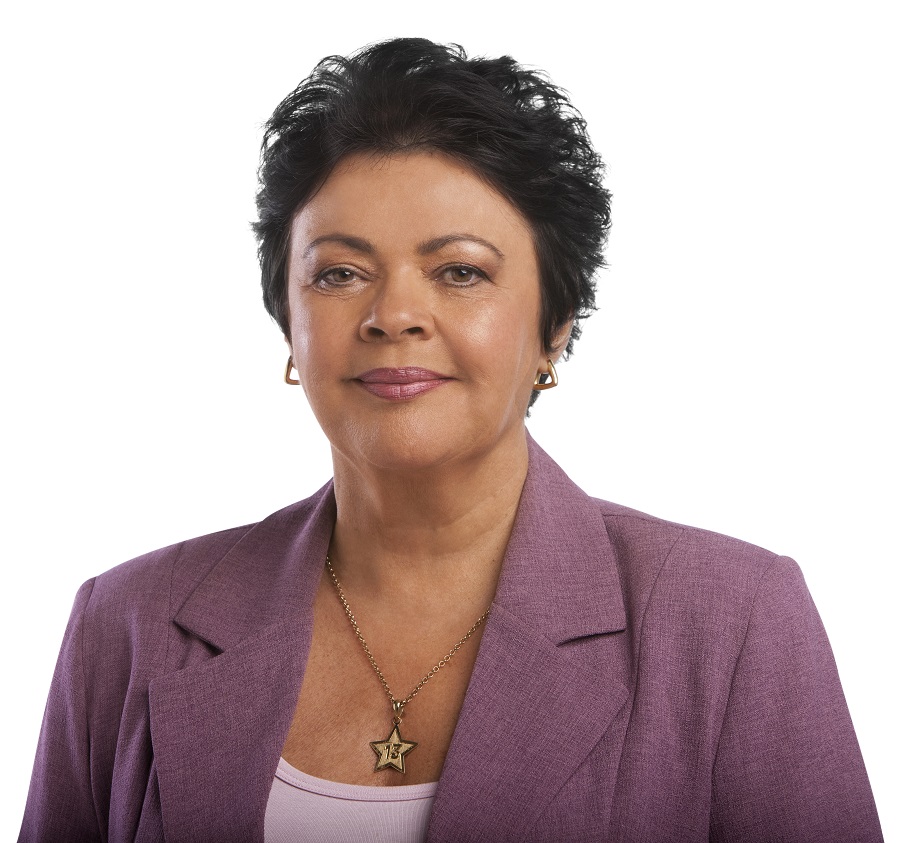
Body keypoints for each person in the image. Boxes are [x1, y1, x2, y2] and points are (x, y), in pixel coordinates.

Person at [19, 37, 882, 843]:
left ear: (554, 326)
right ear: (288, 322)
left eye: (460, 271)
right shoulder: (123, 627)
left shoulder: (733, 622)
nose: (394, 315)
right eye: (340, 272)